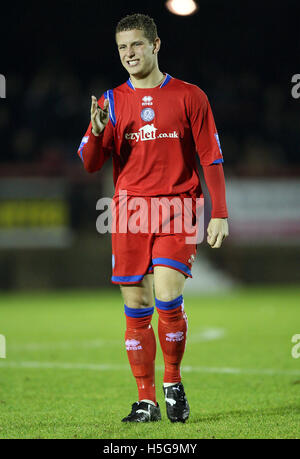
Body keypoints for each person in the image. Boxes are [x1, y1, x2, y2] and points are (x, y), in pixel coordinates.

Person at [77, 13, 229, 423]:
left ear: (156, 45)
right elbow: (92, 164)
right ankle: (145, 400)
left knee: (166, 296)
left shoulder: (189, 96)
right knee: (136, 304)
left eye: (136, 45)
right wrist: (94, 131)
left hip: (177, 207)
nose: (129, 54)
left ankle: (173, 382)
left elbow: (210, 157)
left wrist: (220, 213)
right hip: (128, 212)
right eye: (122, 47)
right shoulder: (109, 101)